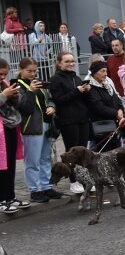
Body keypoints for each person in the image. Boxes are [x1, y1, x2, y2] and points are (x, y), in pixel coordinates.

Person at [15, 57, 61, 204]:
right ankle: (35, 190)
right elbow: (25, 108)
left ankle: (46, 186)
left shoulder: (39, 82)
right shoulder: (17, 86)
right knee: (33, 160)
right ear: (20, 70)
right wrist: (30, 91)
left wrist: (52, 106)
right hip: (31, 127)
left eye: (35, 71)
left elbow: (50, 98)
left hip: (46, 124)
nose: (32, 74)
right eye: (29, 71)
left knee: (45, 158)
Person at [49, 51, 90, 194]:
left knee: (82, 151)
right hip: (68, 120)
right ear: (59, 63)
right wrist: (77, 91)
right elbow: (59, 100)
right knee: (71, 152)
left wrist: (86, 90)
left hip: (82, 119)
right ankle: (73, 181)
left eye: (72, 61)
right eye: (67, 61)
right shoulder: (55, 79)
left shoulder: (76, 77)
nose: (71, 63)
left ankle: (84, 179)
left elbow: (82, 98)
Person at [0, 58, 30, 214]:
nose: (2, 77)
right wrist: (4, 95)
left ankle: (10, 197)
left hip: (11, 126)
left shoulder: (5, 84)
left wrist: (15, 95)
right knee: (2, 166)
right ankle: (2, 199)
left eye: (4, 74)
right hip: (1, 129)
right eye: (0, 74)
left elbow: (19, 104)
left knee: (10, 164)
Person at [86, 61, 125, 152]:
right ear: (95, 73)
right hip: (101, 127)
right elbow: (98, 107)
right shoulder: (91, 88)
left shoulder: (107, 84)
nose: (105, 74)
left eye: (106, 71)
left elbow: (117, 99)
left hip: (113, 125)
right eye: (102, 71)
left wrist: (120, 109)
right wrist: (116, 113)